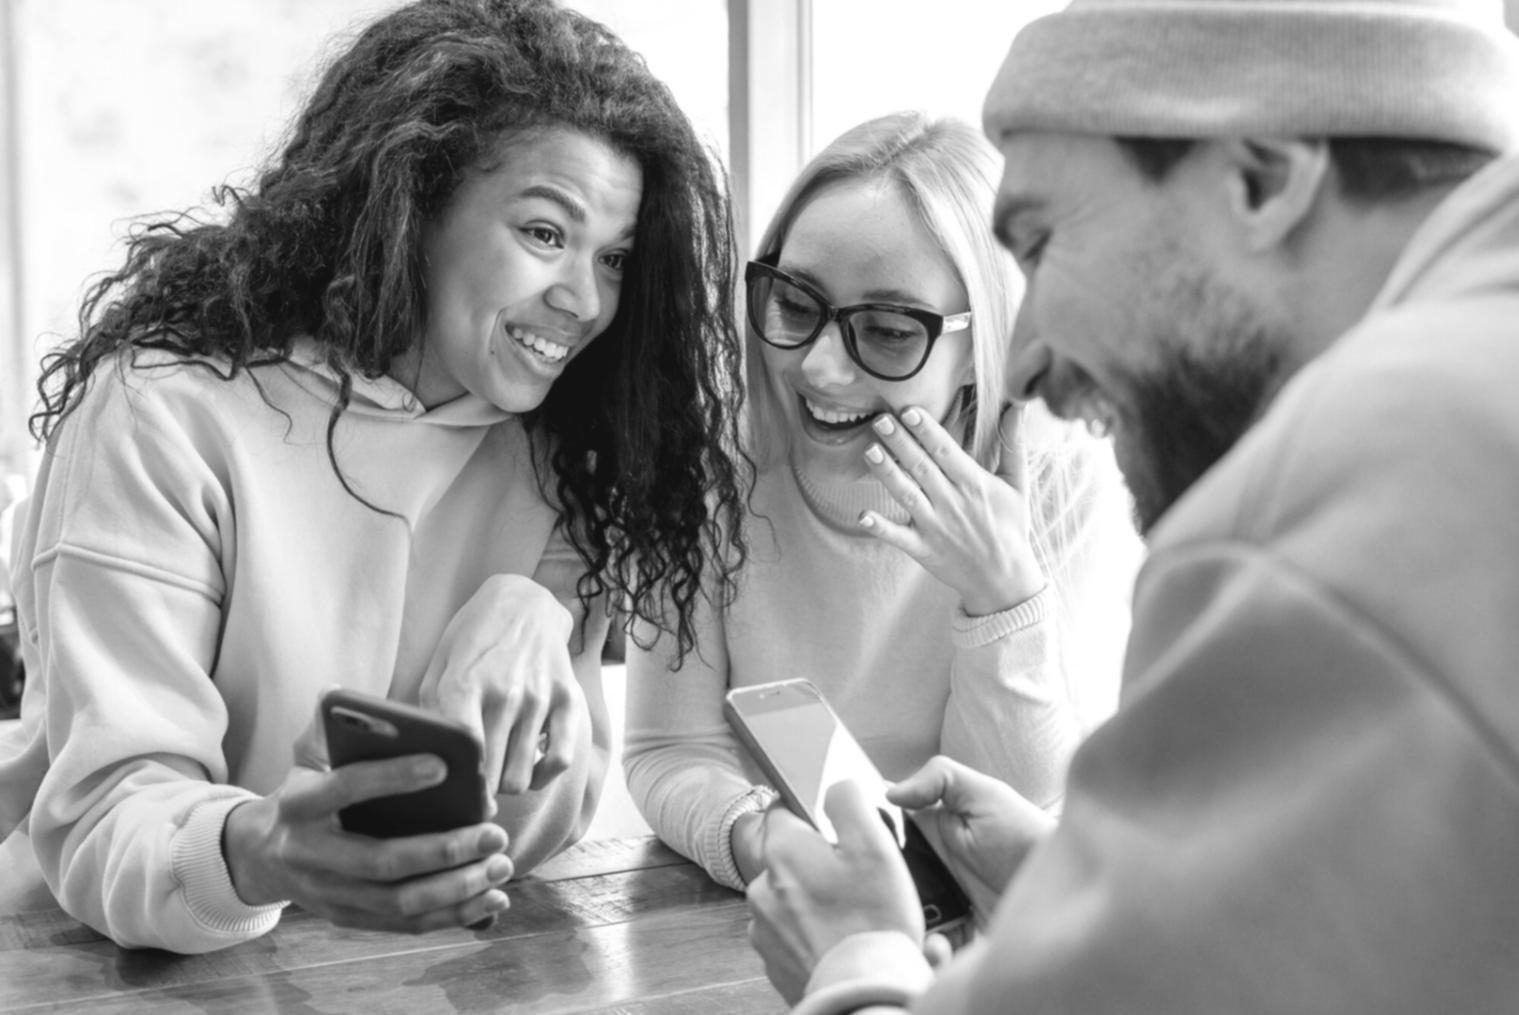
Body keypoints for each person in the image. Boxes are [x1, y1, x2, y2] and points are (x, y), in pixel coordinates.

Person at [744, 0, 1519, 1011]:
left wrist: (857, 966)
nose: (1022, 365)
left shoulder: (1326, 505)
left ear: (1261, 180)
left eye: (1039, 242)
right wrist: (1091, 900)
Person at [0, 0, 747, 953]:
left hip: (408, 968)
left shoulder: (563, 442)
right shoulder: (164, 412)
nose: (584, 298)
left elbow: (533, 828)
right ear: (412, 203)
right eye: (545, 234)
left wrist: (536, 611)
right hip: (104, 967)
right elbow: (108, 818)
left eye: (615, 258)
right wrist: (263, 847)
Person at [622, 112, 1134, 893]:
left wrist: (1002, 598)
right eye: (795, 304)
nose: (821, 369)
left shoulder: (1060, 480)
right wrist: (771, 845)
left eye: (888, 331)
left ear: (983, 342)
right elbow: (667, 748)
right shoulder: (705, 453)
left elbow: (1024, 817)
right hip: (766, 909)